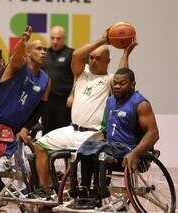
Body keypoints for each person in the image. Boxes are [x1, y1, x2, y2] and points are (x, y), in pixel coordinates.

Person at [31, 28, 137, 196]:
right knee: (38, 146)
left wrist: (125, 52)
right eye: (91, 58)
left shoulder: (110, 80)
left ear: (107, 61)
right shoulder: (82, 72)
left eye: (98, 59)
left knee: (88, 157)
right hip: (72, 130)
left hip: (94, 134)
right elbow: (76, 56)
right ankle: (45, 190)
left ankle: (88, 192)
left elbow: (122, 74)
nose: (93, 61)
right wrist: (102, 40)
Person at [0, 25, 51, 196]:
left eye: (45, 49)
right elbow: (16, 57)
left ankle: (40, 188)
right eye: (38, 49)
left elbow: (40, 109)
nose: (43, 52)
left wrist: (26, 128)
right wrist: (23, 41)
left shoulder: (46, 80)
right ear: (28, 53)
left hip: (13, 128)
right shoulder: (17, 67)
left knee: (34, 148)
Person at [75, 67, 159, 200]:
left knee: (96, 151)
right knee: (85, 148)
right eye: (115, 83)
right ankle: (83, 191)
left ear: (133, 84)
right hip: (112, 148)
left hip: (130, 151)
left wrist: (135, 153)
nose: (117, 86)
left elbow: (153, 134)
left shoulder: (140, 104)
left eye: (122, 83)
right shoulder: (110, 101)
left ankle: (97, 196)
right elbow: (106, 128)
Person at [41, 26, 74, 135]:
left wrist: (72, 95)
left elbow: (77, 77)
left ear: (64, 39)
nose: (55, 41)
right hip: (47, 101)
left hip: (64, 101)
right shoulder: (43, 54)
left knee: (63, 133)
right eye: (53, 38)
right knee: (46, 132)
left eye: (58, 38)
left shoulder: (71, 54)